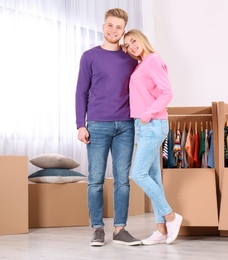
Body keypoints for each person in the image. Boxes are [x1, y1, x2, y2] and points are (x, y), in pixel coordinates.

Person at [75, 8, 141, 247]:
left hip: (126, 125)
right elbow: (81, 91)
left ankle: (120, 229)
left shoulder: (131, 58)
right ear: (103, 27)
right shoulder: (89, 56)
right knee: (95, 180)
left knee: (123, 179)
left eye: (119, 27)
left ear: (124, 31)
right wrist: (80, 125)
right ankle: (97, 229)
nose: (114, 30)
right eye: (110, 25)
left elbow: (142, 87)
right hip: (97, 125)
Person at [123, 29, 183, 245]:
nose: (131, 46)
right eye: (127, 45)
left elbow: (167, 92)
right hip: (144, 125)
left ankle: (171, 217)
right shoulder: (141, 64)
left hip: (152, 123)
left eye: (133, 41)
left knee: (138, 174)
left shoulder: (153, 60)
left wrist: (147, 115)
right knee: (153, 177)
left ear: (142, 39)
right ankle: (161, 230)